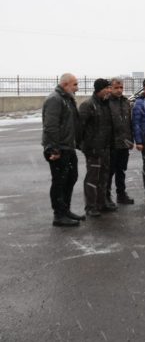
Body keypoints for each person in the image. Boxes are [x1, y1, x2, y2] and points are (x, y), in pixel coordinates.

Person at [42, 73, 83, 227]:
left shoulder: (67, 98)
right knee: (60, 181)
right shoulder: (55, 99)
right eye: (75, 85)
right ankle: (58, 215)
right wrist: (53, 149)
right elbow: (50, 126)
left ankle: (65, 210)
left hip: (68, 147)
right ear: (66, 85)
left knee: (71, 178)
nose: (77, 88)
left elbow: (72, 124)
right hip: (58, 148)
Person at [79, 78, 115, 217]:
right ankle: (90, 206)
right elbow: (79, 128)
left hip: (105, 148)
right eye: (107, 88)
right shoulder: (88, 105)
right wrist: (84, 146)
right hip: (93, 149)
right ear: (99, 89)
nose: (110, 91)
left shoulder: (106, 104)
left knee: (104, 177)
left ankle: (102, 203)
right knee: (92, 178)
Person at [107, 78, 135, 205]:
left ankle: (121, 194)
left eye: (121, 88)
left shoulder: (125, 102)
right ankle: (106, 196)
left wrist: (130, 140)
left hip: (124, 143)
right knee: (109, 172)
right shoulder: (106, 102)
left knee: (121, 170)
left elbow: (129, 123)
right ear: (110, 88)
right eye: (116, 88)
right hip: (112, 144)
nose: (119, 90)